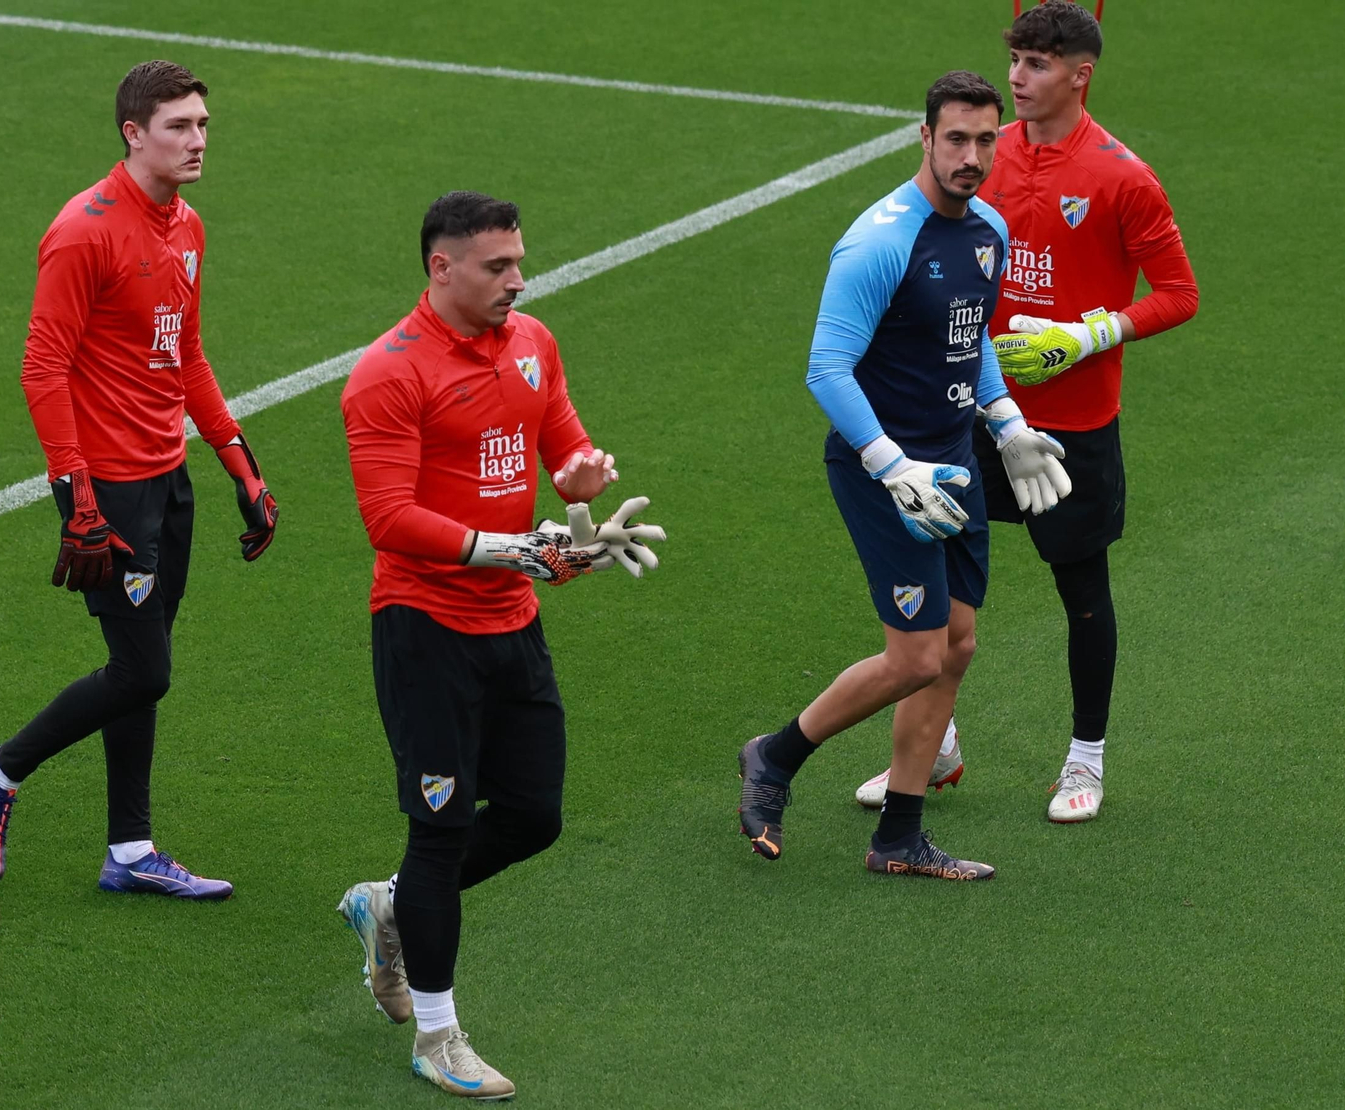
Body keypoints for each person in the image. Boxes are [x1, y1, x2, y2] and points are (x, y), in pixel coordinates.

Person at [336, 190, 664, 1099]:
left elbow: (562, 444)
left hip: (511, 624)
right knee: (439, 834)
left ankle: (389, 905)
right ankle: (437, 1038)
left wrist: (581, 484)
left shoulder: (532, 343)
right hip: (425, 634)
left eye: (519, 262)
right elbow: (389, 519)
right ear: (441, 268)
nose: (517, 279)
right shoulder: (387, 375)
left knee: (533, 816)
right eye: (496, 267)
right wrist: (516, 549)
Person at [852, 2, 1199, 822]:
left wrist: (1088, 336)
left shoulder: (1123, 177)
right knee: (943, 586)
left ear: (1081, 74)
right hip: (970, 412)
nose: (1016, 77)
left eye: (1038, 64)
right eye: (1014, 59)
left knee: (1080, 588)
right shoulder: (987, 155)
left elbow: (1180, 294)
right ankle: (935, 747)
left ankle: (1085, 761)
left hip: (1072, 426)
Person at [0, 60, 278, 899]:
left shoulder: (188, 228)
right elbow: (41, 367)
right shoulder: (83, 231)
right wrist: (78, 501)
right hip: (110, 494)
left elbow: (189, 357)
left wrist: (240, 467)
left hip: (168, 483)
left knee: (147, 660)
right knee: (144, 670)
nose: (198, 140)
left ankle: (130, 851)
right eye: (179, 126)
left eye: (204, 124)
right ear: (134, 134)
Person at [737, 71, 1069, 879]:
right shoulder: (880, 240)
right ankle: (774, 758)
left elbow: (967, 340)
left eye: (987, 139)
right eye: (955, 139)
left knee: (956, 647)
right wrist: (890, 467)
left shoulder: (988, 230)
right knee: (917, 656)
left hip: (953, 464)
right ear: (923, 138)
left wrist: (1008, 422)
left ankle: (898, 840)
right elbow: (826, 368)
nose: (971, 156)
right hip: (882, 468)